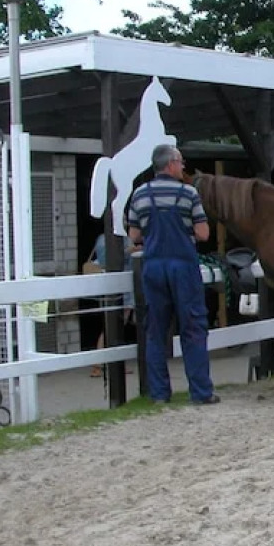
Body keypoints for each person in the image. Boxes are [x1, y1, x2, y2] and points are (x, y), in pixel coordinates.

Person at [126, 145, 219, 405]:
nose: (183, 166)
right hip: (183, 267)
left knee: (155, 331)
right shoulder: (188, 193)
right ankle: (200, 392)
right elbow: (203, 234)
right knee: (193, 328)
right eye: (181, 162)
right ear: (170, 164)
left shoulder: (140, 194)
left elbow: (134, 234)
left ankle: (159, 394)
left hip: (154, 267)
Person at [84, 231, 135, 378]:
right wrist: (131, 251)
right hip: (123, 287)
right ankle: (103, 363)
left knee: (110, 326)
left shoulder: (101, 238)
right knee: (115, 327)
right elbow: (116, 258)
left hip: (107, 285)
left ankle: (107, 363)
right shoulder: (123, 239)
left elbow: (102, 259)